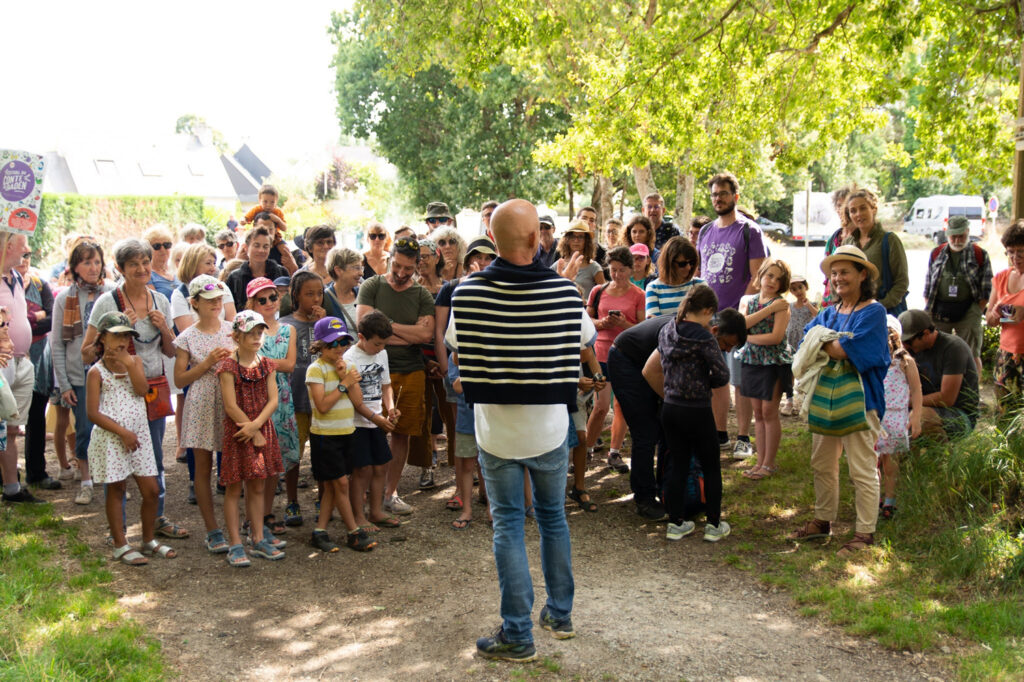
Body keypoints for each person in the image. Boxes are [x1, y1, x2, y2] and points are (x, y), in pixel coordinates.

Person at [446, 199, 595, 661]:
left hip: (496, 430)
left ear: (492, 240)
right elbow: (586, 341)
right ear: (536, 239)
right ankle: (560, 615)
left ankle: (517, 634)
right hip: (549, 427)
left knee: (509, 524)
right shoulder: (566, 295)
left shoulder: (466, 294)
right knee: (553, 518)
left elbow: (454, 348)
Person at [83, 238, 187, 540]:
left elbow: (170, 352)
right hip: (117, 392)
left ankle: (157, 519)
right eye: (134, 265)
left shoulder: (160, 301)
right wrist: (117, 329)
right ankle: (121, 530)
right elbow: (86, 353)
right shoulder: (108, 302)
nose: (142, 269)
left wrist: (164, 329)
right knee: (118, 460)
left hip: (152, 388)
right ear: (120, 269)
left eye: (145, 262)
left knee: (153, 457)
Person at [790, 245, 889, 555]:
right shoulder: (831, 311)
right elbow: (808, 340)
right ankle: (823, 522)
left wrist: (824, 339)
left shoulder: (874, 312)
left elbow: (842, 350)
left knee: (861, 468)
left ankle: (864, 533)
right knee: (822, 463)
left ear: (862, 275)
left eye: (844, 271)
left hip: (861, 402)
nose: (838, 278)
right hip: (825, 399)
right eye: (834, 273)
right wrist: (824, 339)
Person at [609, 307, 747, 519]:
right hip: (627, 360)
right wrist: (674, 402)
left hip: (648, 366)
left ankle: (667, 491)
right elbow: (650, 371)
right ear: (715, 330)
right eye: (726, 344)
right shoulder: (685, 333)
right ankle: (644, 498)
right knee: (646, 430)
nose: (726, 351)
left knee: (667, 425)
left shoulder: (702, 336)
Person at [642, 284, 731, 542]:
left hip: (670, 406)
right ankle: (714, 524)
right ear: (705, 310)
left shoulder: (667, 330)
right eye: (710, 315)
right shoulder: (704, 337)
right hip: (697, 408)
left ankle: (676, 522)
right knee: (711, 465)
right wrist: (707, 381)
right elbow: (722, 374)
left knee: (678, 464)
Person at [356, 237, 436, 515]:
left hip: (410, 370)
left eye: (409, 269)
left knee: (401, 433)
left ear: (418, 265)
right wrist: (406, 332)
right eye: (398, 266)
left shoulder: (423, 295)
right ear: (390, 259)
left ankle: (390, 492)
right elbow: (364, 326)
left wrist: (386, 326)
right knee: (369, 430)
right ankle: (368, 494)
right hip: (371, 370)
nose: (402, 274)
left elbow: (425, 335)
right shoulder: (372, 285)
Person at [86, 311, 168, 565]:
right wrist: (122, 433)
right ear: (102, 339)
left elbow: (142, 390)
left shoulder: (136, 362)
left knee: (152, 489)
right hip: (112, 437)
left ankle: (147, 539)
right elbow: (92, 413)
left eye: (126, 335)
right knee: (117, 488)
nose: (121, 341)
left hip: (139, 435)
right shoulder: (96, 372)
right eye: (115, 336)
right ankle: (120, 544)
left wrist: (131, 364)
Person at [697, 172, 767, 460]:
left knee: (741, 381)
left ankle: (743, 437)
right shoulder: (705, 232)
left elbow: (758, 276)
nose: (718, 198)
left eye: (723, 193)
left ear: (735, 196)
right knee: (715, 379)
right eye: (714, 194)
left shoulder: (749, 231)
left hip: (739, 319)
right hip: (709, 320)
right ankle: (720, 434)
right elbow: (702, 275)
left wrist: (737, 313)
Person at [172, 275, 234, 555]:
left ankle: (238, 525)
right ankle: (212, 529)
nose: (215, 304)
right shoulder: (186, 338)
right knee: (203, 466)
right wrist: (208, 362)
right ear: (194, 303)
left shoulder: (233, 331)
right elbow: (180, 380)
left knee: (233, 465)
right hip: (200, 404)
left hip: (230, 400)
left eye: (219, 299)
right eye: (208, 300)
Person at [217, 311, 285, 566]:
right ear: (237, 336)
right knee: (234, 488)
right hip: (239, 432)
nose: (256, 337)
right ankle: (235, 543)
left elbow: (273, 400)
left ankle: (257, 538)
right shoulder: (228, 367)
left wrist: (257, 427)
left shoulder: (266, 365)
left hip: (259, 429)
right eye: (250, 333)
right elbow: (230, 406)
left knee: (257, 485)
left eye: (259, 332)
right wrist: (252, 430)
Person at [305, 316, 378, 552]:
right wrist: (344, 383)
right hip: (325, 436)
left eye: (342, 343)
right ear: (320, 345)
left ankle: (320, 531)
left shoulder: (347, 368)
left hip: (347, 432)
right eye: (331, 344)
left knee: (333, 485)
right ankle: (353, 532)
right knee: (341, 484)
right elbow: (322, 406)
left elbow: (357, 401)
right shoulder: (315, 369)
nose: (338, 348)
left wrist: (347, 377)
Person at [51, 240, 115, 505]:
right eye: (87, 262)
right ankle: (86, 481)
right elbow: (57, 344)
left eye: (97, 261)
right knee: (85, 430)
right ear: (75, 266)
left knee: (112, 428)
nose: (93, 267)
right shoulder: (65, 298)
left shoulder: (111, 293)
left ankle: (114, 479)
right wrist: (64, 384)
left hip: (110, 372)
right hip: (79, 375)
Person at [585, 246, 644, 473]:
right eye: (613, 270)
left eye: (621, 270)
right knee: (600, 406)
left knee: (621, 405)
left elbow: (641, 327)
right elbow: (587, 318)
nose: (617, 275)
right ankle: (588, 449)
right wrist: (602, 324)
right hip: (599, 353)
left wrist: (622, 325)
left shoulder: (639, 295)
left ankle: (615, 451)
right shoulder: (598, 291)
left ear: (631, 270)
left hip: (626, 353)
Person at [246, 277, 298, 535]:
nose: (268, 303)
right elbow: (244, 363)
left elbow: (290, 365)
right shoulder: (247, 330)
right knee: (257, 461)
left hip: (282, 398)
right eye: (261, 299)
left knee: (275, 461)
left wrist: (261, 361)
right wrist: (268, 363)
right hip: (256, 400)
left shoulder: (288, 329)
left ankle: (265, 512)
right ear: (252, 302)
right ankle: (252, 515)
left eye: (272, 297)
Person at [343, 311, 401, 532]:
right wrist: (377, 418)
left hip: (377, 419)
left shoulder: (382, 354)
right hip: (357, 422)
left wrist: (392, 407)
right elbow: (355, 401)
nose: (381, 349)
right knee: (362, 469)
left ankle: (375, 511)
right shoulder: (349, 359)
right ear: (361, 337)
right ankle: (358, 516)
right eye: (377, 344)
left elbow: (386, 385)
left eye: (384, 344)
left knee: (381, 466)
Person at [279, 271, 328, 525]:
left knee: (321, 453)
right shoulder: (285, 323)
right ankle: (292, 501)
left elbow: (334, 353)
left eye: (319, 293)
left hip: (322, 402)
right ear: (296, 295)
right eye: (309, 294)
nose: (315, 299)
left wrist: (324, 327)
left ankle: (322, 499)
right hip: (294, 398)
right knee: (293, 454)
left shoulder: (327, 324)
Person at [738, 259, 792, 480]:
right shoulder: (747, 300)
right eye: (769, 275)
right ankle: (759, 461)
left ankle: (769, 464)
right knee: (758, 414)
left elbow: (775, 337)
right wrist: (768, 309)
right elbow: (740, 324)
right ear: (760, 276)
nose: (772, 281)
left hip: (773, 363)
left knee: (769, 412)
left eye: (778, 278)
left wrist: (746, 337)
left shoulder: (783, 305)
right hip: (751, 361)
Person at [923, 215, 992, 375]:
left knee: (972, 354)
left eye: (961, 235)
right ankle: (941, 390)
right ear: (947, 234)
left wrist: (976, 311)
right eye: (953, 236)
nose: (957, 239)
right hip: (939, 310)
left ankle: (972, 393)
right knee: (937, 351)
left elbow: (986, 288)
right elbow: (928, 286)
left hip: (969, 310)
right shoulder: (936, 253)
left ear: (968, 232)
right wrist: (929, 310)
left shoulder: (979, 254)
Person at [898, 309, 979, 438]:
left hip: (958, 414)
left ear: (925, 333)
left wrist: (907, 402)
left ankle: (940, 456)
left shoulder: (953, 348)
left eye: (908, 342)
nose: (904, 346)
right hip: (919, 406)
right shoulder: (909, 351)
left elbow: (947, 399)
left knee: (921, 417)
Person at [20, 251, 62, 490]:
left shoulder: (39, 284)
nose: (25, 259)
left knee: (36, 416)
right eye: (21, 254)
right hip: (8, 358)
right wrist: (34, 317)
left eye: (28, 254)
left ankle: (36, 472)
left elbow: (52, 316)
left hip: (39, 360)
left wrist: (26, 320)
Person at [875, 315, 923, 520]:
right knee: (872, 460)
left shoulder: (904, 361)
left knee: (890, 462)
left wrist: (917, 416)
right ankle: (875, 496)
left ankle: (890, 499)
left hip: (895, 416)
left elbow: (916, 389)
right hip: (874, 416)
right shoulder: (873, 359)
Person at [842, 187, 909, 315]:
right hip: (854, 313)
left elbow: (902, 282)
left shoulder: (889, 240)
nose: (858, 214)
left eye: (863, 208)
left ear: (873, 209)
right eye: (853, 211)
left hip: (884, 312)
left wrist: (879, 306)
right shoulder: (847, 243)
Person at [985, 219, 1024, 414]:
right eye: (1010, 252)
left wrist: (1003, 311)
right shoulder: (1001, 278)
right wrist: (1005, 312)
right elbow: (990, 319)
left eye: (1021, 252)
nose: (1015, 257)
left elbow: (1017, 315)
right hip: (1007, 354)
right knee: (1005, 412)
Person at [225, 225, 290, 310]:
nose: (261, 250)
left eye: (265, 246)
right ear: (246, 247)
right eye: (256, 245)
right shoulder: (235, 278)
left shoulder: (280, 272)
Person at [781, 274, 817, 416]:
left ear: (806, 287)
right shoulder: (790, 306)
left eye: (800, 287)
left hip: (804, 341)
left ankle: (805, 400)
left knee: (805, 369)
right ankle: (789, 400)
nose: (798, 291)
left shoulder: (812, 304)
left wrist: (808, 304)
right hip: (791, 340)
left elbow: (817, 316)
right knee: (790, 370)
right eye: (794, 289)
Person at [644, 236, 704, 319]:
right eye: (682, 264)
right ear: (669, 264)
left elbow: (706, 319)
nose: (689, 267)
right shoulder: (653, 288)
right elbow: (654, 326)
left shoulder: (700, 285)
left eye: (691, 262)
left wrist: (665, 320)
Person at [554, 221, 605, 301]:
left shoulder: (594, 268)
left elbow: (604, 295)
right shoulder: (558, 265)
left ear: (586, 241)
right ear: (567, 239)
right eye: (573, 236)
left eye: (580, 237)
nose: (576, 240)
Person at [322, 247, 362, 330]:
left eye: (361, 268)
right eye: (356, 268)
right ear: (338, 270)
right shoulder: (325, 299)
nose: (361, 273)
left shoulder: (362, 293)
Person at [144, 225, 180, 301]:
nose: (162, 249)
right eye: (157, 246)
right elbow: (155, 302)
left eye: (167, 245)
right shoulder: (147, 274)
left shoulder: (177, 270)